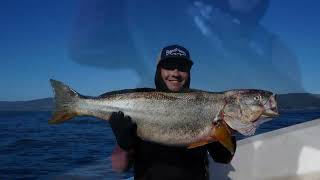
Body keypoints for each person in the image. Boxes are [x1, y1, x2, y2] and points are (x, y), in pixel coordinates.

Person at [109, 44, 237, 180]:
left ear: (188, 73)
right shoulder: (137, 105)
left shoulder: (205, 105)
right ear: (159, 70)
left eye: (182, 68)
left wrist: (227, 128)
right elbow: (119, 167)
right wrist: (124, 145)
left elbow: (223, 158)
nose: (175, 73)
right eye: (169, 66)